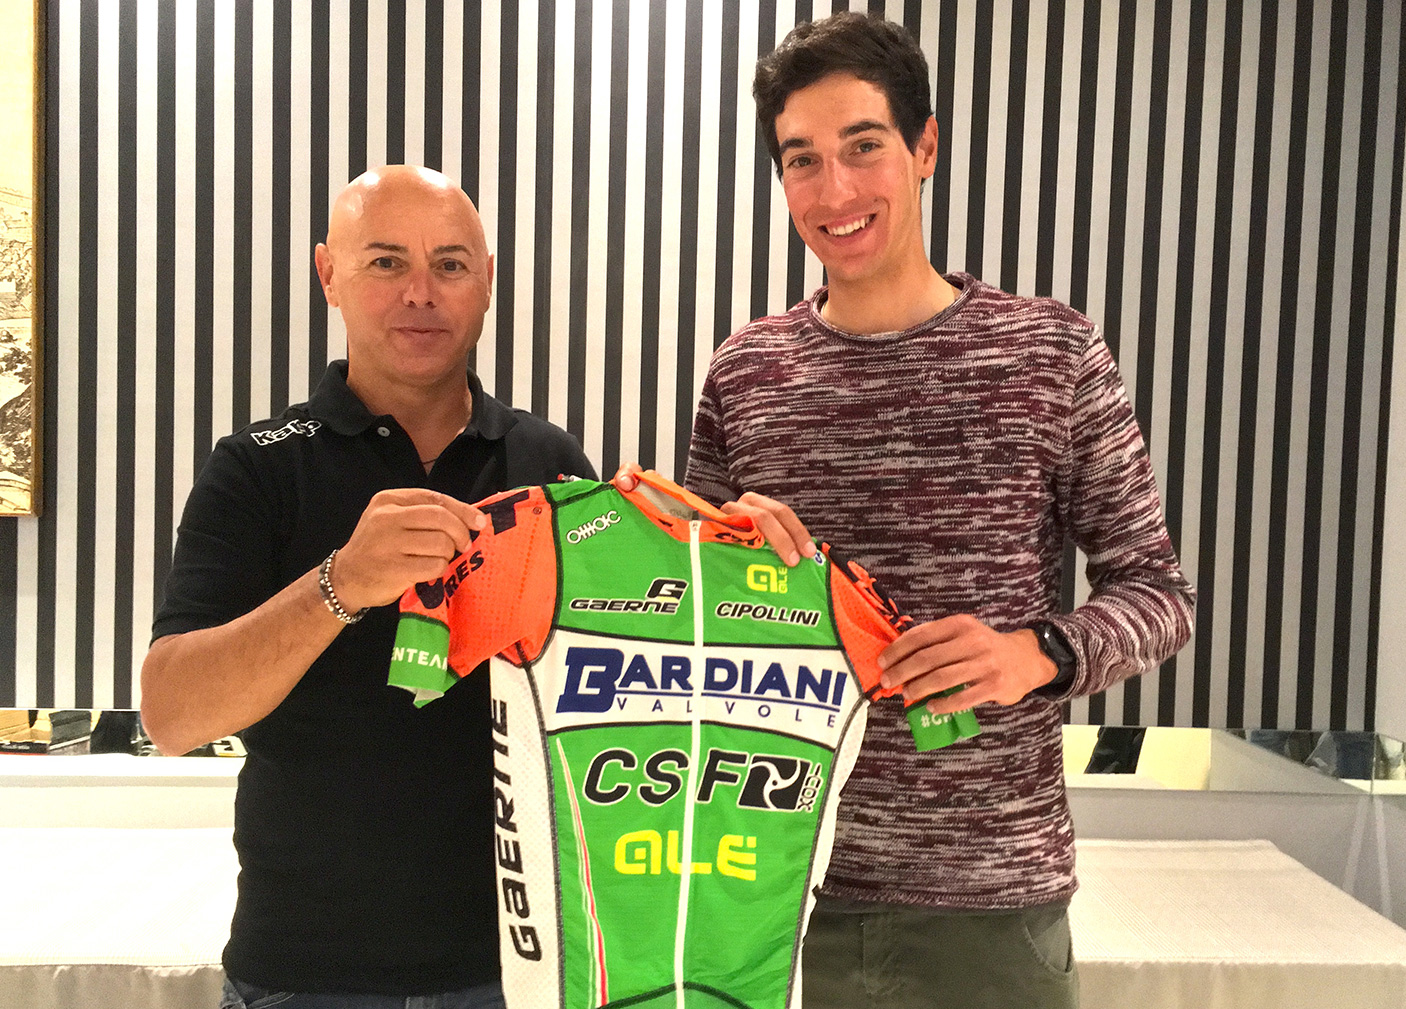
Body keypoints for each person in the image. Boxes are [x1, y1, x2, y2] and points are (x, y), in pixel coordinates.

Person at [665, 13, 1196, 1009]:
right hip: (768, 887)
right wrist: (715, 559)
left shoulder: (1049, 352)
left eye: (863, 146)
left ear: (925, 147)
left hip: (988, 904)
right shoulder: (744, 373)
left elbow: (1157, 595)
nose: (834, 191)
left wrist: (1034, 653)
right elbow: (689, 621)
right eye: (801, 159)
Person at [141, 165, 595, 1009]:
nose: (420, 292)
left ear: (487, 282)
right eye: (386, 262)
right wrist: (339, 583)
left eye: (450, 264)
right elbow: (172, 714)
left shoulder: (551, 466)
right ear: (329, 274)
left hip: (521, 969)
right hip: (306, 972)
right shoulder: (257, 468)